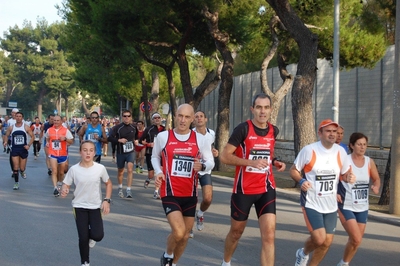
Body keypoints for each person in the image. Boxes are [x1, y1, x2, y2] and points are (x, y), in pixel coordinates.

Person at [219, 93, 286, 266]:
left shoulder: (273, 130)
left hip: (266, 189)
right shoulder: (243, 129)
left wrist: (274, 162)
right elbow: (225, 157)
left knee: (269, 236)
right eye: (259, 107)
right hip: (244, 190)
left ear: (271, 109)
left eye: (266, 107)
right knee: (236, 232)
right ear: (252, 109)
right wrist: (250, 162)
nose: (262, 111)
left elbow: (266, 154)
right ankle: (226, 262)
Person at [153, 104, 214, 266]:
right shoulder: (163, 137)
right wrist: (159, 171)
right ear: (175, 116)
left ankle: (173, 263)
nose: (183, 120)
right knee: (179, 232)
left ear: (192, 119)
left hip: (190, 194)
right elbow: (154, 157)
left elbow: (210, 161)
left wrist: (202, 166)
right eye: (180, 116)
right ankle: (167, 255)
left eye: (187, 117)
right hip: (170, 192)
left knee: (185, 235)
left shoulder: (200, 140)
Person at [289, 119, 355, 266]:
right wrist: (301, 181)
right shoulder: (309, 150)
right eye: (328, 131)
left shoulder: (340, 151)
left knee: (327, 242)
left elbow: (344, 175)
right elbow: (293, 170)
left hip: (330, 204)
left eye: (334, 131)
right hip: (311, 202)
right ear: (320, 133)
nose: (332, 134)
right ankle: (303, 252)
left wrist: (348, 177)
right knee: (319, 239)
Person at [61, 140, 112, 266]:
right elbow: (66, 183)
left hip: (95, 206)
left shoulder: (100, 168)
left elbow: (108, 183)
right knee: (83, 238)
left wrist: (106, 200)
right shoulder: (74, 169)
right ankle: (85, 262)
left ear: (94, 152)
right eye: (85, 150)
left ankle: (91, 237)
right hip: (79, 206)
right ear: (80, 152)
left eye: (90, 150)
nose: (88, 153)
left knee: (98, 235)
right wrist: (64, 189)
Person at [336, 132, 380, 266]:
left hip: (362, 206)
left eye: (364, 144)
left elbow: (376, 178)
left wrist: (376, 186)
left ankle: (344, 263)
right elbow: (336, 177)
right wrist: (336, 191)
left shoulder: (369, 162)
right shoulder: (345, 160)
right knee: (355, 238)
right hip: (345, 204)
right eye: (359, 144)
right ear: (352, 145)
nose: (362, 147)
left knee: (356, 240)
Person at [190, 110, 219, 238]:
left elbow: (210, 147)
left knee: (207, 199)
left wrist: (214, 151)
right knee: (191, 199)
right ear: (193, 120)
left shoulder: (211, 133)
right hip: (193, 169)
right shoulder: (190, 134)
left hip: (206, 169)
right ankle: (189, 226)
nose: (199, 118)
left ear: (206, 119)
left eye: (201, 116)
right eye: (196, 117)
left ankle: (200, 214)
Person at [107, 110, 138, 199]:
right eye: (124, 116)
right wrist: (119, 140)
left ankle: (128, 189)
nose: (126, 118)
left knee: (130, 168)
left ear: (131, 117)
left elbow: (137, 138)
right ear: (122, 117)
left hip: (130, 151)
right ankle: (120, 187)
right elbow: (110, 138)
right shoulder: (117, 128)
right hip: (121, 152)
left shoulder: (134, 127)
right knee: (120, 171)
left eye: (128, 116)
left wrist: (136, 141)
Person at [3, 112, 35, 189]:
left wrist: (28, 145)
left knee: (22, 167)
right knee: (15, 166)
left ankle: (22, 171)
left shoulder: (26, 127)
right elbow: (6, 135)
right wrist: (5, 141)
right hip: (14, 149)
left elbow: (33, 136)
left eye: (20, 116)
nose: (18, 118)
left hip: (23, 149)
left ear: (22, 118)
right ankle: (16, 183)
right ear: (15, 117)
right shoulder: (11, 127)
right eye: (17, 116)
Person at [45, 115, 74, 196]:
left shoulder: (65, 131)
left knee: (61, 172)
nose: (56, 122)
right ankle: (55, 188)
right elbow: (47, 137)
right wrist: (47, 142)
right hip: (53, 153)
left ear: (61, 121)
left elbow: (71, 141)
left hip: (62, 154)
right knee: (54, 171)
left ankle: (60, 183)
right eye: (54, 120)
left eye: (58, 120)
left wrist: (65, 139)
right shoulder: (49, 130)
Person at [140, 112, 165, 199]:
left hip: (162, 155)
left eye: (158, 118)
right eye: (155, 118)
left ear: (161, 119)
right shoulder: (149, 129)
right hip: (150, 153)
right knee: (151, 174)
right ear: (152, 120)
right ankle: (148, 179)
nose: (157, 119)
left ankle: (156, 192)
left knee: (160, 172)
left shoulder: (165, 130)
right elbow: (140, 140)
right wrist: (148, 144)